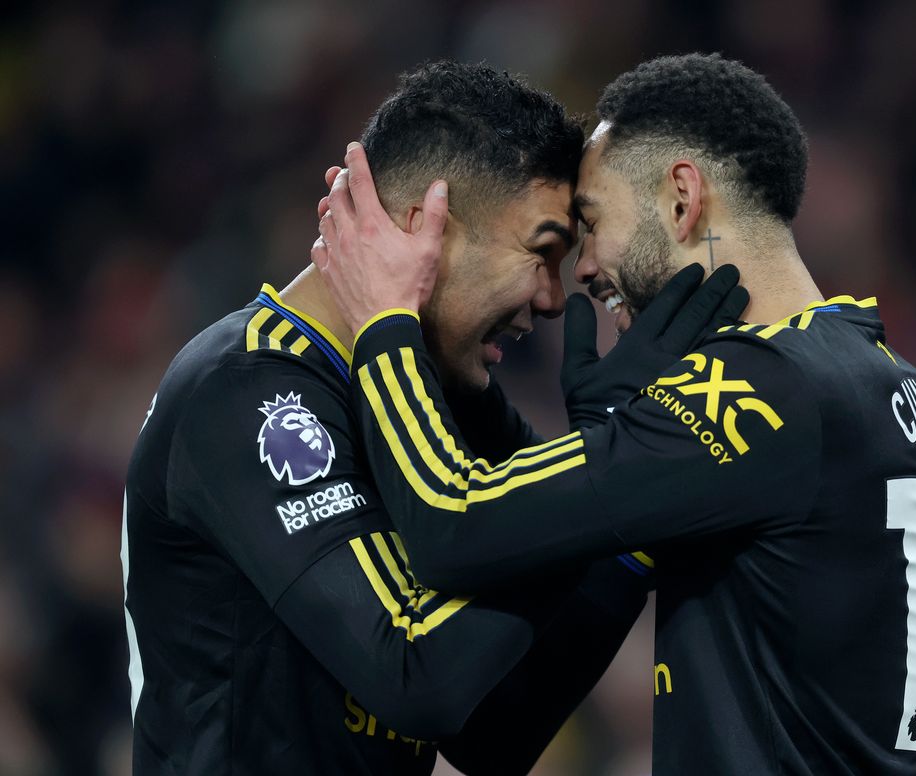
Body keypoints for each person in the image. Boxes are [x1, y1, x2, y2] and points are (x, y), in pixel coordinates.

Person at [314, 53, 916, 774]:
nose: (584, 270)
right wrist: (615, 449)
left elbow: (451, 520)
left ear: (683, 199)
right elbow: (492, 738)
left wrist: (386, 320)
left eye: (592, 223)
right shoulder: (879, 376)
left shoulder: (759, 390)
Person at [122, 60, 744, 774]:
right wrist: (606, 465)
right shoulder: (246, 390)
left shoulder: (439, 392)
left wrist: (625, 517)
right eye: (542, 252)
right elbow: (416, 676)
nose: (550, 300)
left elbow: (494, 730)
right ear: (425, 228)